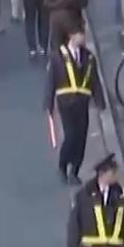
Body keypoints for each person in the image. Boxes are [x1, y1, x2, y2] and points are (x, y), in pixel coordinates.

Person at [46, 27, 107, 182]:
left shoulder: (89, 57)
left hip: (82, 102)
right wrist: (49, 101)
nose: (83, 37)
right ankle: (62, 166)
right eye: (80, 34)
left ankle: (74, 171)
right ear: (71, 36)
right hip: (66, 102)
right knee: (71, 135)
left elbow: (94, 80)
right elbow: (52, 79)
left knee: (81, 137)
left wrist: (100, 101)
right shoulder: (58, 57)